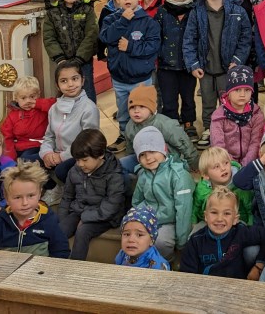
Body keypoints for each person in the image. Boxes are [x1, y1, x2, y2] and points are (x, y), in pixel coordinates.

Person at [184, 0, 252, 149]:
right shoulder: (196, 13)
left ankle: (228, 127)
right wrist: (193, 64)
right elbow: (189, 40)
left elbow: (246, 38)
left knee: (228, 99)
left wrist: (237, 60)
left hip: (228, 67)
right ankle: (208, 127)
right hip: (205, 67)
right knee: (207, 100)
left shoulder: (237, 11)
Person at [99, 0, 161, 147]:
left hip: (141, 78)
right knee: (124, 111)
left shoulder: (148, 22)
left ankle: (145, 138)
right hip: (119, 78)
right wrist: (123, 21)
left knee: (143, 110)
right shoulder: (111, 19)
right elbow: (106, 37)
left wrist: (131, 47)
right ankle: (124, 136)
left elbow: (153, 47)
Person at [38, 60, 101, 206]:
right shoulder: (54, 108)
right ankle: (55, 189)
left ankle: (77, 193)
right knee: (29, 161)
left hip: (79, 154)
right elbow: (49, 136)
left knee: (62, 170)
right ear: (57, 85)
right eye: (64, 81)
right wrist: (47, 154)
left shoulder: (88, 108)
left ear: (83, 80)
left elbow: (88, 142)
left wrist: (61, 156)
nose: (70, 84)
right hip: (56, 153)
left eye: (75, 79)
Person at [180, 186, 265, 279]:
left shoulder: (240, 232)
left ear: (235, 219)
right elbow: (187, 275)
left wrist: (259, 265)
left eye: (227, 213)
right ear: (206, 216)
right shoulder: (195, 241)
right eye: (214, 212)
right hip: (206, 288)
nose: (219, 219)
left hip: (236, 287)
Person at [59, 128, 126, 261]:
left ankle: (76, 267)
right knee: (59, 230)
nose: (80, 164)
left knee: (83, 232)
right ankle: (53, 262)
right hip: (80, 210)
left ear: (100, 154)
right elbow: (67, 196)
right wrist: (62, 218)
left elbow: (111, 207)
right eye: (77, 160)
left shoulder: (114, 174)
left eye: (84, 160)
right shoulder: (75, 170)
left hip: (105, 217)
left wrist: (86, 217)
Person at [0, 161, 70, 257]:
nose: (25, 203)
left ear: (40, 193)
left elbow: (61, 252)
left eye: (31, 196)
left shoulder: (50, 220)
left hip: (39, 270)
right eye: (17, 197)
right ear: (6, 198)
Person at [131, 125, 195, 261]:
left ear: (164, 149)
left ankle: (166, 262)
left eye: (152, 151)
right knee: (128, 230)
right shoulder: (143, 173)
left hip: (170, 222)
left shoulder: (178, 175)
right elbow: (136, 201)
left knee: (161, 241)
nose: (148, 158)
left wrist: (182, 243)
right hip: (149, 218)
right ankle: (140, 262)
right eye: (142, 155)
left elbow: (183, 211)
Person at [121, 84, 198, 180]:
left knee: (144, 176)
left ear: (152, 108)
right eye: (132, 107)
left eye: (142, 106)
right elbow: (130, 148)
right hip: (143, 160)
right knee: (120, 165)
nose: (136, 111)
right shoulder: (130, 126)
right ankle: (129, 188)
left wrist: (194, 164)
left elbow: (184, 144)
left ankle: (147, 187)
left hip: (167, 162)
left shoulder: (165, 124)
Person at [43, 0, 99, 102]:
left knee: (87, 89)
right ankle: (67, 119)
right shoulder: (52, 12)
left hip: (83, 61)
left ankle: (89, 118)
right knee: (66, 91)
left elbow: (91, 35)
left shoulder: (87, 10)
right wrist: (60, 58)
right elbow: (49, 37)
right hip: (63, 61)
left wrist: (79, 58)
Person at [155, 0, 197, 135]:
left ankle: (189, 123)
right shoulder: (162, 11)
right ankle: (171, 126)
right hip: (166, 66)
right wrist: (159, 54)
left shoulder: (195, 9)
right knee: (169, 99)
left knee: (188, 97)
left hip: (188, 64)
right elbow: (156, 36)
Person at [210, 65, 265, 166]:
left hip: (250, 162)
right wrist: (233, 165)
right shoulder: (219, 116)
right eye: (237, 90)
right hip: (225, 162)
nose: (242, 94)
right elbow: (218, 144)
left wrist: (245, 165)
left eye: (247, 90)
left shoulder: (256, 114)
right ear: (228, 92)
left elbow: (256, 143)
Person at [192, 146, 255, 225]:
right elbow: (195, 210)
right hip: (210, 224)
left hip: (237, 224)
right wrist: (193, 225)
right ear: (206, 175)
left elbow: (250, 211)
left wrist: (249, 229)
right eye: (216, 166)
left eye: (226, 163)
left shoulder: (241, 186)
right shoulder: (202, 189)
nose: (223, 168)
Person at [0, 76, 55, 162]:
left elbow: (55, 104)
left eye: (32, 97)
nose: (28, 101)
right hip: (19, 146)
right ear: (16, 98)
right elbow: (7, 137)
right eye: (23, 98)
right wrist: (10, 159)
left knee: (25, 160)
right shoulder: (13, 115)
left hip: (38, 145)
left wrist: (38, 103)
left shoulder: (42, 109)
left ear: (38, 94)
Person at [116, 205, 170, 270]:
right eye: (127, 234)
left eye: (139, 235)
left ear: (151, 240)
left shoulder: (157, 266)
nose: (131, 240)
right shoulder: (122, 254)